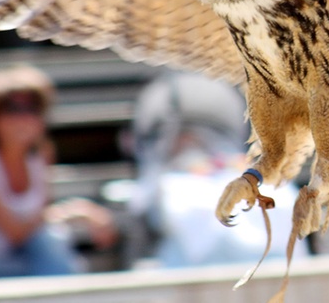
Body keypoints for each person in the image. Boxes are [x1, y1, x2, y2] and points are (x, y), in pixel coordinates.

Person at [0, 64, 116, 279]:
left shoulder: (40, 154)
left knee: (51, 244)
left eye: (32, 109)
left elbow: (36, 221)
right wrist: (77, 212)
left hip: (24, 262)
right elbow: (16, 233)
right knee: (49, 243)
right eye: (12, 109)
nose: (23, 119)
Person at [124, 71, 304, 268]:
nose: (189, 142)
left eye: (194, 138)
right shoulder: (165, 189)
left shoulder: (270, 188)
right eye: (184, 139)